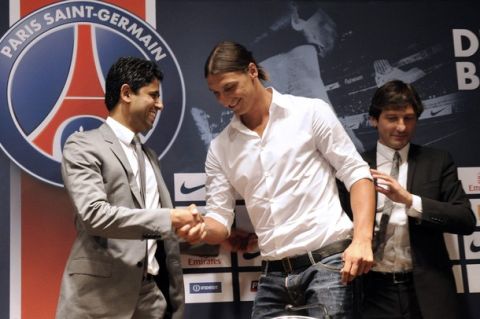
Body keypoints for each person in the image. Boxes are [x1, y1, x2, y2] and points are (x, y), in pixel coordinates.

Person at [196, 41, 375, 318]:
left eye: (229, 87)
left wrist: (362, 240)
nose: (224, 100)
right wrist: (195, 228)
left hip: (328, 265)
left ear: (252, 71)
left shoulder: (310, 112)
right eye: (216, 93)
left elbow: (357, 174)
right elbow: (219, 220)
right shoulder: (220, 147)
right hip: (272, 276)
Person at [56, 56, 204, 319]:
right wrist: (170, 217)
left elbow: (152, 229)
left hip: (151, 297)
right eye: (153, 95)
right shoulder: (82, 145)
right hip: (98, 299)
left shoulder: (149, 156)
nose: (160, 104)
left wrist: (208, 234)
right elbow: (94, 215)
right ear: (126, 93)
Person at [360, 80, 476, 319]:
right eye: (392, 118)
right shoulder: (355, 166)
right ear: (374, 119)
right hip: (370, 291)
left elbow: (465, 219)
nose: (402, 127)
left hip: (427, 289)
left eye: (409, 118)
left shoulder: (438, 161)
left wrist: (410, 200)